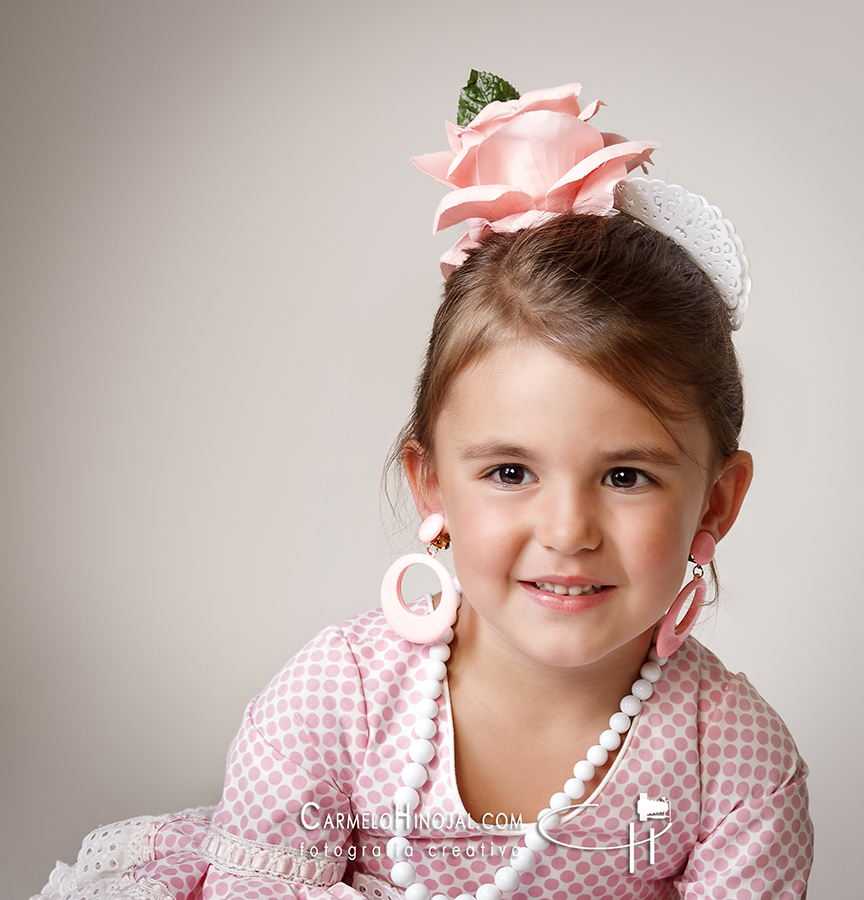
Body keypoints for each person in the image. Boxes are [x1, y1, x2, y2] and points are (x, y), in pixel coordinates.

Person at [34, 76, 812, 900]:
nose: (567, 528)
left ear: (716, 503)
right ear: (432, 487)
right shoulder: (335, 705)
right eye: (510, 472)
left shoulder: (735, 768)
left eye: (626, 475)